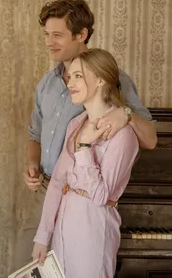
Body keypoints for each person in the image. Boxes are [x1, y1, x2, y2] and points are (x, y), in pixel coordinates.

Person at [17, 0, 157, 268]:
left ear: (81, 35)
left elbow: (149, 138)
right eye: (46, 35)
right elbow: (35, 134)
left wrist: (125, 114)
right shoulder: (46, 84)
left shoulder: (112, 77)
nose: (48, 42)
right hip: (47, 192)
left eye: (57, 35)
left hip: (89, 204)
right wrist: (32, 164)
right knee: (35, 268)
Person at [32, 48, 139, 277]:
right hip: (63, 228)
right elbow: (57, 182)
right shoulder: (75, 124)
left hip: (93, 230)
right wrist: (43, 237)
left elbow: (101, 196)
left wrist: (84, 149)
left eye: (78, 76)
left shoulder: (124, 136)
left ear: (100, 79)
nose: (70, 82)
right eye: (70, 76)